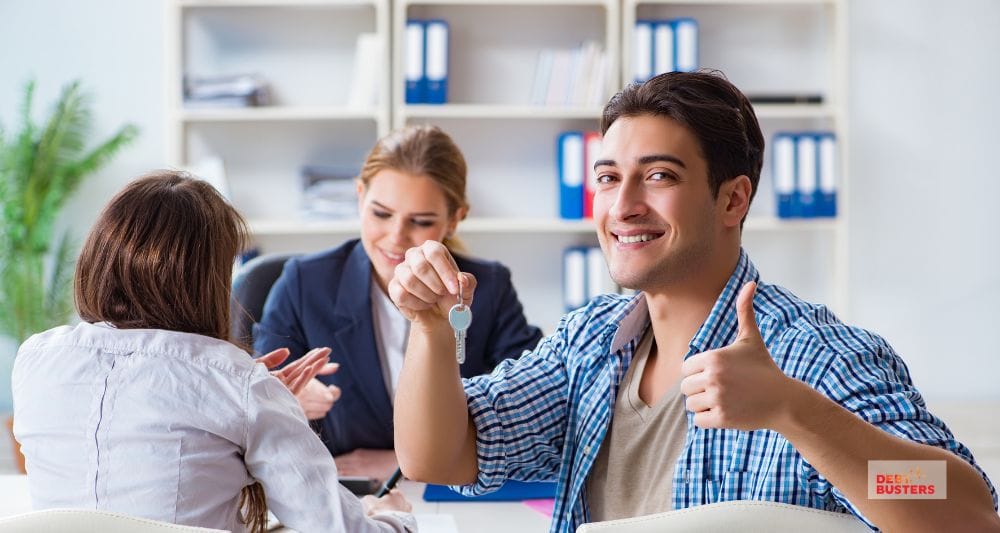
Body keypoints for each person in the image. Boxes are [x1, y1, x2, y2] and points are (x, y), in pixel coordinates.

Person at [387, 71, 1000, 533]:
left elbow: (969, 512)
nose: (623, 204)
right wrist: (431, 330)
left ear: (733, 200)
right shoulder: (591, 343)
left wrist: (795, 411)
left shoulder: (816, 358)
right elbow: (439, 456)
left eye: (659, 176)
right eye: (606, 177)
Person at [12, 172, 415, 533]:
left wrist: (247, 404)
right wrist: (394, 514)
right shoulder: (237, 382)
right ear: (209, 279)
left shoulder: (34, 359)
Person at [254, 124, 543, 476]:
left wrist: (401, 464)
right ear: (360, 196)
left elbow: (532, 410)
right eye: (380, 213)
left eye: (420, 221)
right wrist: (286, 400)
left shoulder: (489, 288)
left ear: (454, 219)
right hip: (344, 494)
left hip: (451, 492)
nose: (396, 237)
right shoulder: (303, 283)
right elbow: (251, 404)